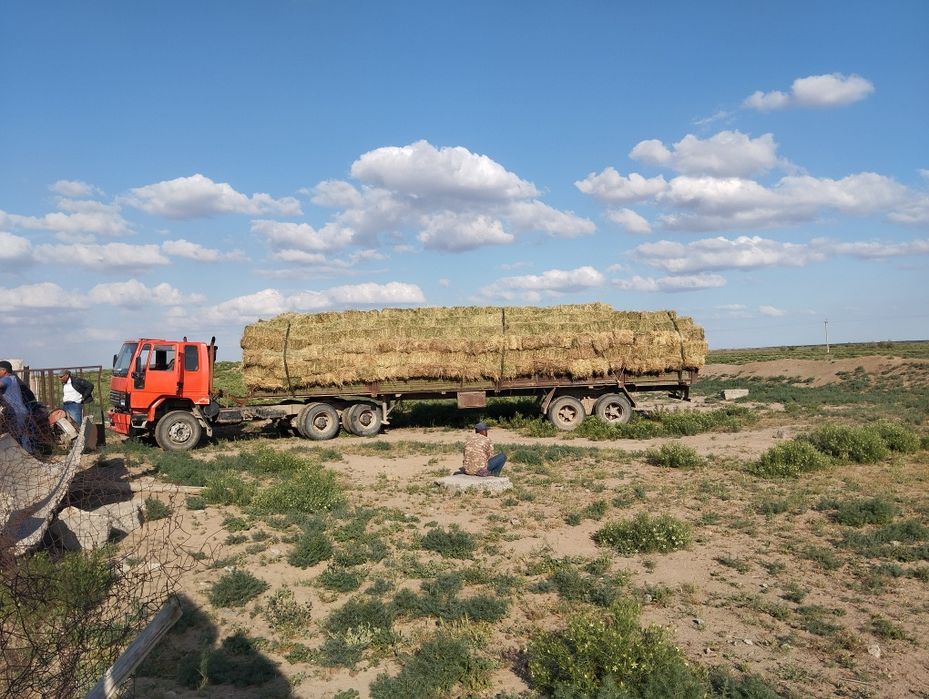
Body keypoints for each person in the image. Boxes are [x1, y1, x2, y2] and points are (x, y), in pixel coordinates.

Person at [0, 360, 33, 452]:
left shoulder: (7, 379)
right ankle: (29, 457)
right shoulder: (13, 378)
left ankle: (25, 458)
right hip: (21, 411)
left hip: (16, 412)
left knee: (17, 437)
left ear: (4, 370)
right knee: (23, 436)